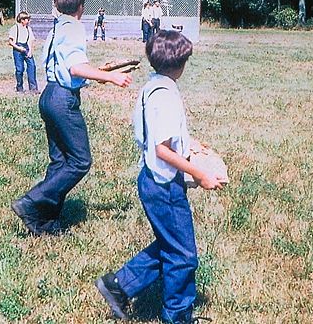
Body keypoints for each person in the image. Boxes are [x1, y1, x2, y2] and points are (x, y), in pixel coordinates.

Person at [95, 30, 226, 323]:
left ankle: (118, 285)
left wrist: (187, 143)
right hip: (164, 185)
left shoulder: (152, 86)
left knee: (171, 245)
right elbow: (163, 150)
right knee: (183, 256)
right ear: (180, 64)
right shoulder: (166, 96)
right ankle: (177, 316)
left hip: (151, 179)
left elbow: (160, 137)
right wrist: (200, 173)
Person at [11, 0, 132, 236]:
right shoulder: (75, 27)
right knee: (80, 161)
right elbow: (75, 69)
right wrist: (111, 78)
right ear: (81, 7)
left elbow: (68, 67)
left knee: (59, 162)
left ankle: (45, 223)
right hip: (63, 100)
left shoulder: (58, 27)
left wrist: (98, 73)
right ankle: (31, 202)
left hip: (49, 95)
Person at [8, 11, 38, 93]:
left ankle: (33, 88)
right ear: (22, 20)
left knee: (32, 66)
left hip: (26, 48)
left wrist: (30, 51)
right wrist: (19, 48)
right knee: (20, 69)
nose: (28, 21)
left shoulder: (29, 29)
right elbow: (10, 42)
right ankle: (19, 87)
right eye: (26, 19)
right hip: (17, 49)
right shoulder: (15, 28)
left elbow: (31, 40)